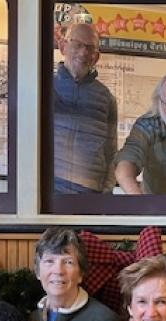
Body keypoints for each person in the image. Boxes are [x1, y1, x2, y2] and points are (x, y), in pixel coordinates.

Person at [54, 23, 118, 194]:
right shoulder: (44, 88)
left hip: (90, 200)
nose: (83, 52)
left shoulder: (106, 99)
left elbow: (111, 152)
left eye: (90, 48)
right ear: (63, 46)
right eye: (77, 44)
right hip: (49, 198)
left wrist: (105, 193)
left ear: (96, 57)